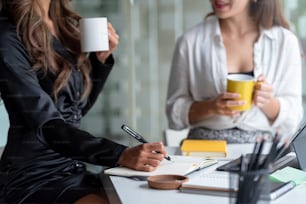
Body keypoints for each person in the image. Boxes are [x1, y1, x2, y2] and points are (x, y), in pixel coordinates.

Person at [0, 0, 168, 203]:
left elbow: (74, 111)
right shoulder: (8, 36)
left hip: (74, 167)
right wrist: (119, 155)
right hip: (34, 178)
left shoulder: (60, 25)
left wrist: (100, 61)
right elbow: (48, 126)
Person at [166, 0, 303, 143]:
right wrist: (210, 107)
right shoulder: (189, 42)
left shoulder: (285, 41)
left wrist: (268, 102)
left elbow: (293, 119)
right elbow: (174, 113)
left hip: (261, 152)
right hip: (202, 152)